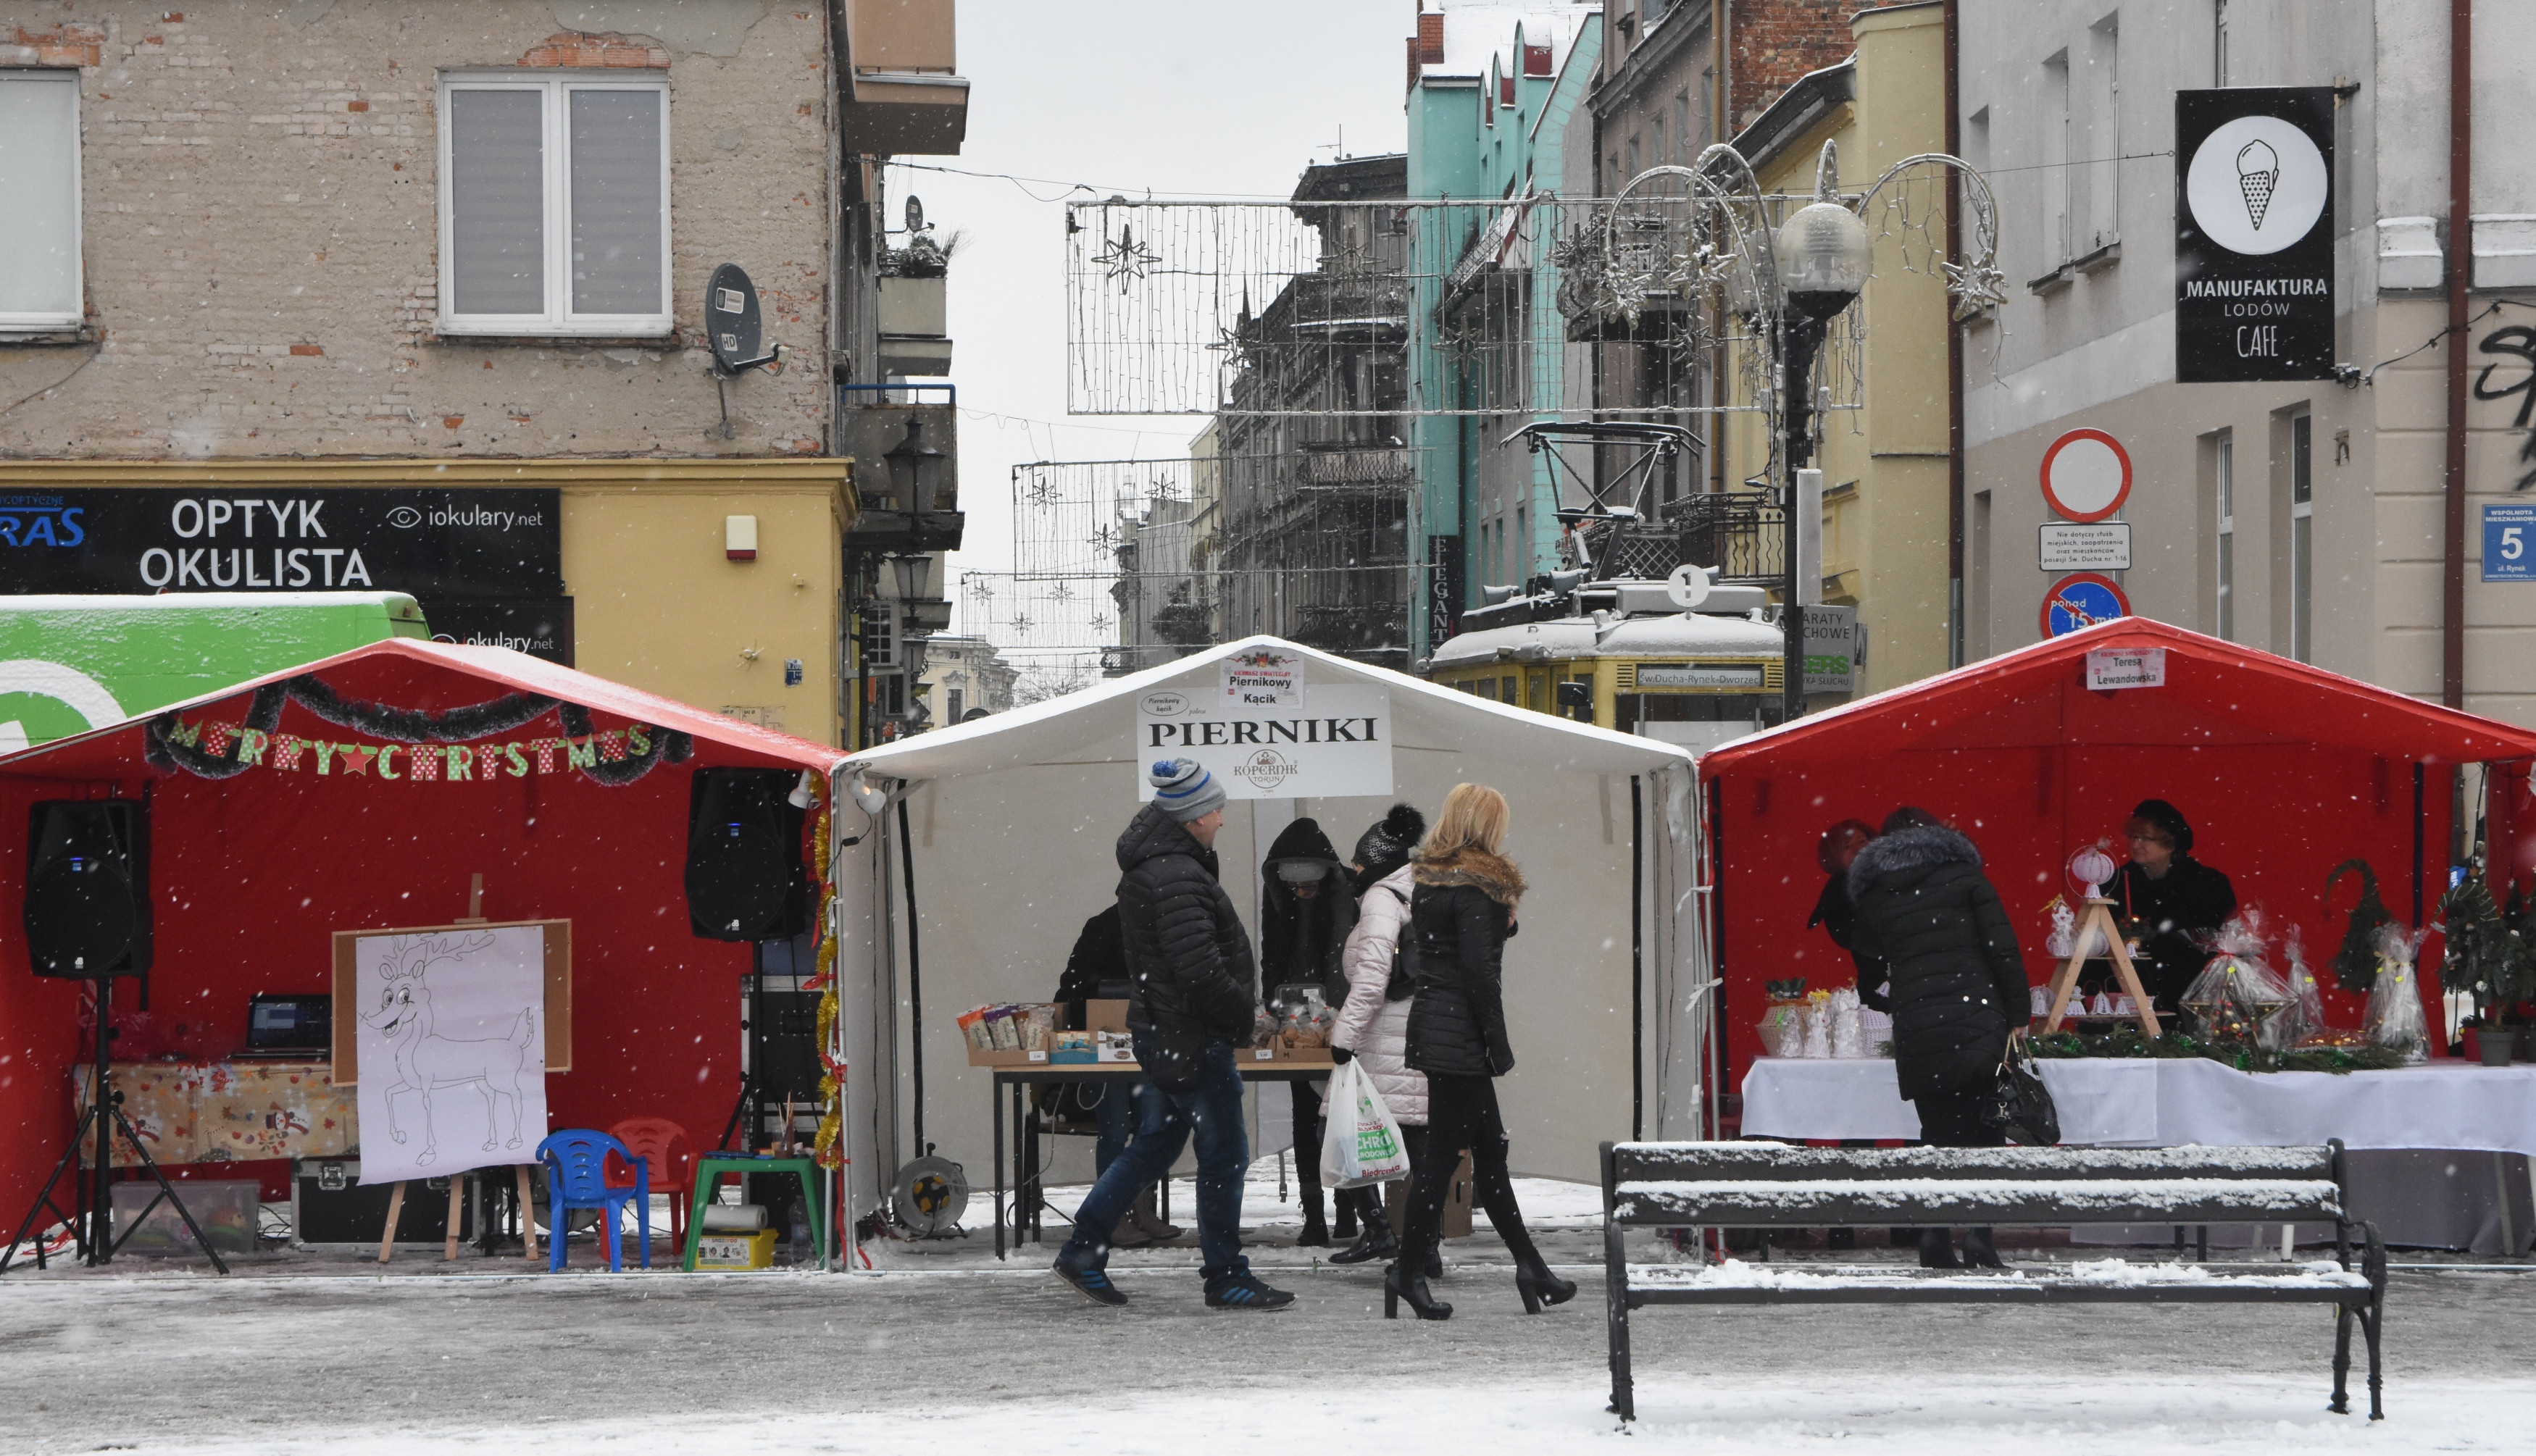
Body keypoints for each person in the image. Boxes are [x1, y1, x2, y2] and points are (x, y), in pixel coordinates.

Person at [1052, 759, 1292, 1310]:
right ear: (1190, 818)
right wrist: (1241, 1017)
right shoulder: (1177, 876)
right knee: (1225, 1154)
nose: (1222, 820)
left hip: (1166, 1032)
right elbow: (1199, 968)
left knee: (1153, 1146)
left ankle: (1084, 1248)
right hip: (1192, 1037)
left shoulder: (1156, 868)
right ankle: (1226, 1275)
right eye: (1214, 809)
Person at [1388, 783, 1575, 1321]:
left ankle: (1530, 1266)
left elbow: (1443, 951)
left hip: (1436, 1025)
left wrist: (1501, 925)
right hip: (1461, 1037)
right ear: (1486, 825)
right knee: (1443, 1160)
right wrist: (1498, 1044)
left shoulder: (1431, 879)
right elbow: (1477, 972)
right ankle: (1407, 1270)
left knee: (1489, 1151)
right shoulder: (1477, 886)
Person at [1843, 806, 2030, 1271]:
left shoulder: (1877, 893)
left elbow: (1864, 942)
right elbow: (2002, 949)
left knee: (1936, 1133)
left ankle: (1934, 1234)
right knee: (1986, 1129)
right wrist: (2019, 1014)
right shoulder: (1967, 879)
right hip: (1977, 1014)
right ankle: (1980, 1237)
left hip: (1919, 1022)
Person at [1327, 803, 1430, 1269]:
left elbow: (1370, 980)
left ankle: (1379, 1231)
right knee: (1423, 1148)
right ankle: (1425, 1249)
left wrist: (1342, 1037)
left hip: (1381, 1042)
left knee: (1342, 1128)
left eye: (1360, 865)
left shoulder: (1380, 900)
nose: (1355, 873)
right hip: (1420, 1038)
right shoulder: (1421, 891)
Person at [1258, 816, 1366, 1247]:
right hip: (1297, 1022)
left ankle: (1343, 1213)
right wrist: (1275, 1012)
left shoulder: (1341, 901)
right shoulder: (1281, 898)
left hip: (1337, 1022)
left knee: (1338, 1122)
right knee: (1309, 1120)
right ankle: (1316, 1215)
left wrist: (1338, 1019)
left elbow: (1345, 959)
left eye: (1309, 887)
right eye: (1295, 888)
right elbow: (1272, 958)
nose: (1302, 894)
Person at [1049, 906, 1177, 1250]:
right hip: (1108, 1046)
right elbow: (1075, 985)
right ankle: (1114, 1214)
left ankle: (1141, 1208)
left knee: (1151, 1129)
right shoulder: (1105, 926)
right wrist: (1081, 1033)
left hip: (1150, 1041)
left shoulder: (1162, 924)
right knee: (1117, 1128)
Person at [2108, 798, 2237, 1016]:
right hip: (2131, 998)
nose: (2136, 844)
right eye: (2133, 837)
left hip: (2193, 997)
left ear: (2170, 843)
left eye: (2146, 838)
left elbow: (2218, 942)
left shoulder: (2208, 886)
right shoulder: (2117, 883)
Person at [1806, 818, 1887, 1008]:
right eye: (1846, 847)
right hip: (1878, 992)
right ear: (1834, 858)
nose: (1858, 850)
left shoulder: (1897, 873)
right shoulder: (1839, 893)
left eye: (1861, 841)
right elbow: (1851, 937)